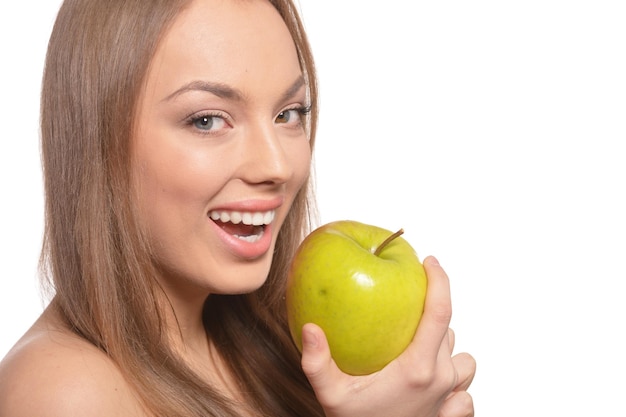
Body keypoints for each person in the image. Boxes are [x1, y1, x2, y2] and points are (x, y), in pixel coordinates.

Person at [0, 0, 476, 415]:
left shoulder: (264, 340)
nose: (276, 166)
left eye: (288, 114)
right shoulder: (64, 393)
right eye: (208, 120)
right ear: (97, 139)